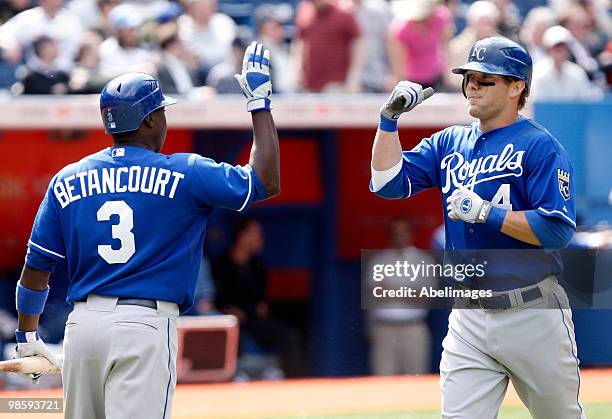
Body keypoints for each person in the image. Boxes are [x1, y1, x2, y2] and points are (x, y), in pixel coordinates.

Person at [13, 41, 280, 419]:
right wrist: (259, 104)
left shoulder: (68, 178)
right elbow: (265, 181)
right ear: (151, 120)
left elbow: (36, 269)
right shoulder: (185, 171)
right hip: (142, 325)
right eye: (161, 112)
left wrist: (27, 336)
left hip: (82, 328)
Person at [370, 36, 583, 418]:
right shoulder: (450, 141)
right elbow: (387, 183)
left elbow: (556, 229)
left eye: (487, 79)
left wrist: (489, 213)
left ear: (517, 87)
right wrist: (388, 121)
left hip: (532, 311)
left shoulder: (540, 146)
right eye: (469, 77)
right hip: (468, 315)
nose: (473, 85)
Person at [212, 218, 304, 378]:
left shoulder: (257, 266)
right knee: (232, 333)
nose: (260, 239)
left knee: (289, 336)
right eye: (256, 234)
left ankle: (291, 380)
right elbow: (217, 298)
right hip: (227, 319)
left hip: (253, 318)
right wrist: (230, 311)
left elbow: (261, 304)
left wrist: (252, 311)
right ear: (242, 236)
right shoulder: (221, 263)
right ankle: (232, 378)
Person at [367, 218, 436, 375]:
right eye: (396, 234)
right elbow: (374, 293)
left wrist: (390, 290)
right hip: (384, 328)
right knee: (382, 380)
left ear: (411, 235)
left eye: (403, 233)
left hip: (413, 327)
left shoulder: (423, 261)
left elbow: (426, 296)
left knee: (416, 379)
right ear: (390, 236)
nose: (400, 237)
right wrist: (410, 292)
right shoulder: (379, 261)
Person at [531, 25, 602, 101]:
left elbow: (586, 100)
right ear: (548, 49)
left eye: (564, 48)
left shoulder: (577, 73)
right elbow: (536, 105)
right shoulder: (537, 73)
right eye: (557, 48)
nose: (561, 53)